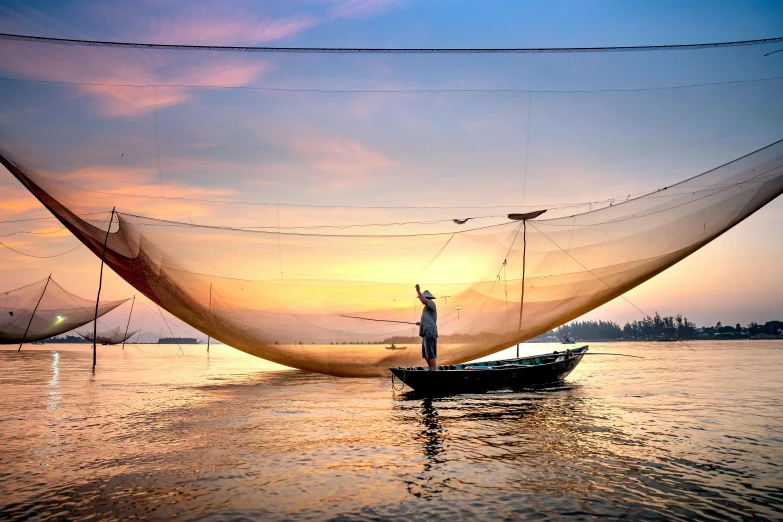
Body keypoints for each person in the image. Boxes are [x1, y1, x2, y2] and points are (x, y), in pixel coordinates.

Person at [415, 284, 438, 371]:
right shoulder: (426, 308)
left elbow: (423, 300)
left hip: (430, 332)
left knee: (431, 352)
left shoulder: (431, 303)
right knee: (426, 353)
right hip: (425, 332)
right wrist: (420, 323)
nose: (421, 299)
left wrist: (418, 291)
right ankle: (431, 368)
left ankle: (434, 370)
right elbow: (428, 319)